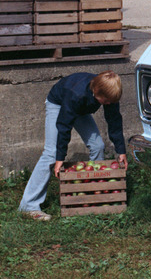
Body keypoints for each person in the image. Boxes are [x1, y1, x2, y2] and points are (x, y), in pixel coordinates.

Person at [18, 71, 128, 221]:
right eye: (106, 101)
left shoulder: (109, 94)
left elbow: (114, 120)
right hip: (59, 103)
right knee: (51, 153)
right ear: (96, 91)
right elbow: (64, 126)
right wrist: (60, 158)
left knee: (97, 145)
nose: (108, 104)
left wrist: (121, 150)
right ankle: (28, 205)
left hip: (80, 108)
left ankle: (97, 192)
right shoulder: (76, 93)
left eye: (110, 101)